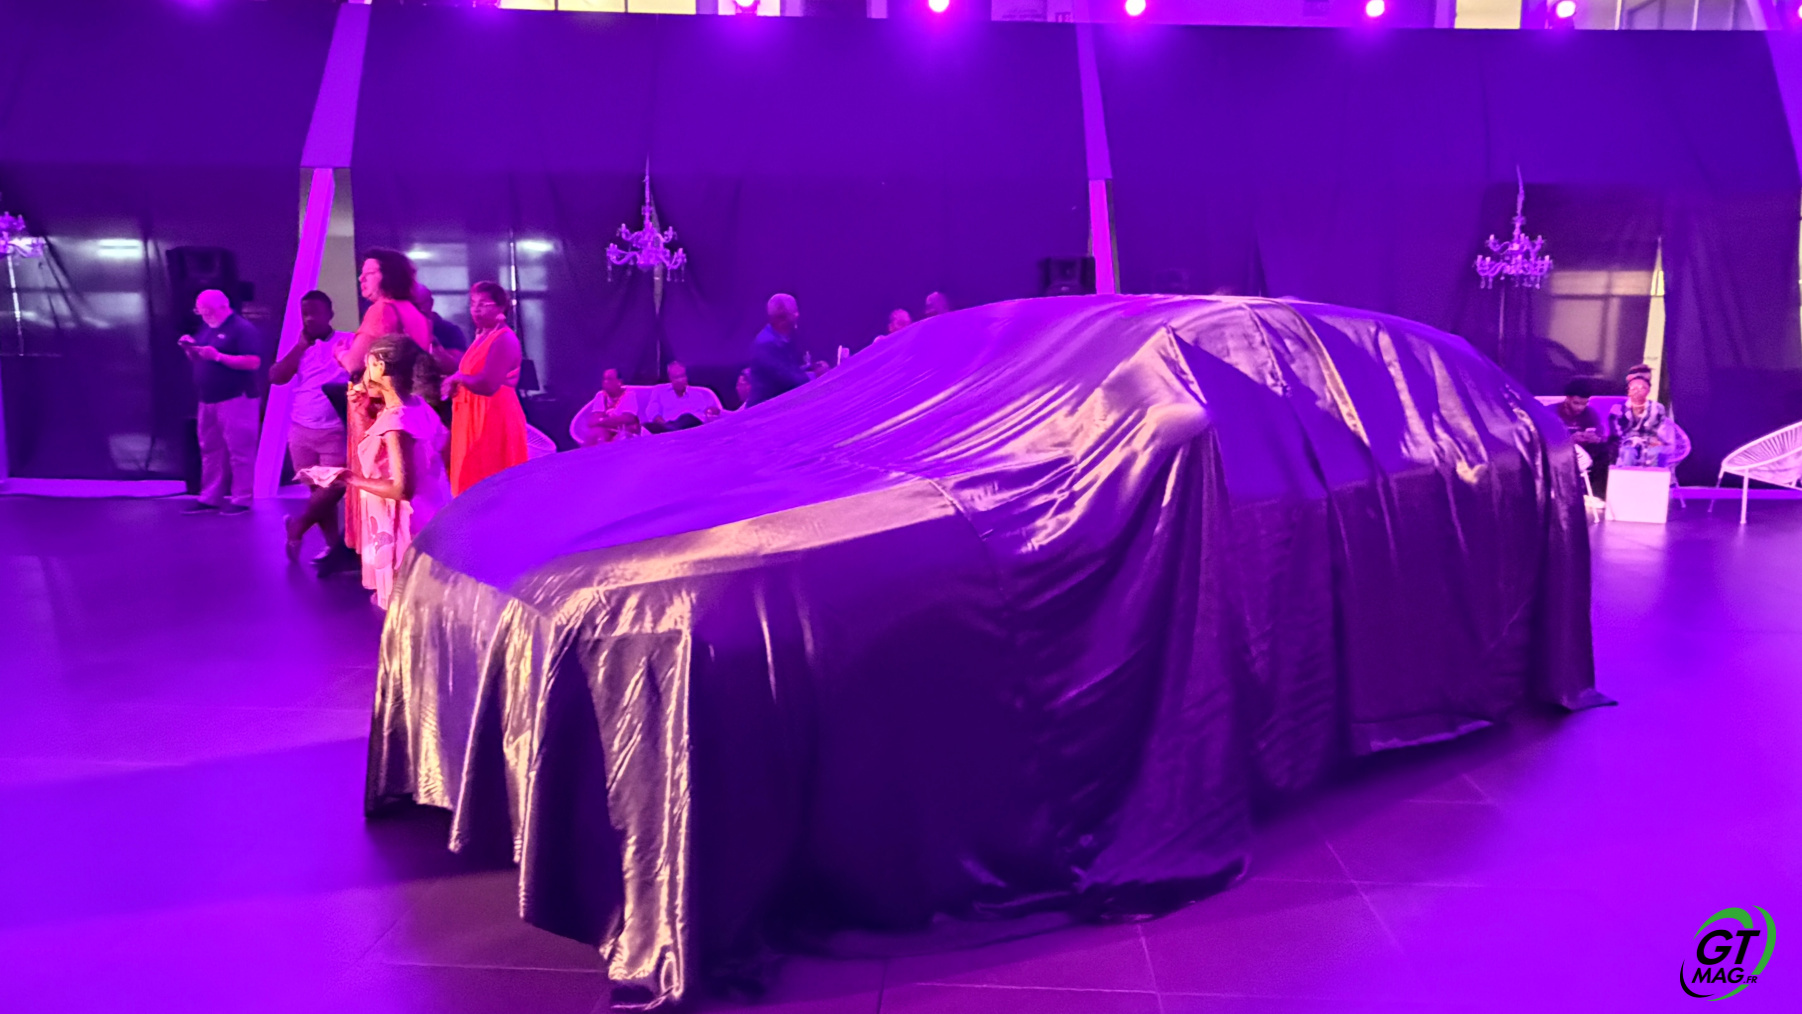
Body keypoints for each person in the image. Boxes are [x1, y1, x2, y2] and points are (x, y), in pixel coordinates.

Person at [344, 335, 451, 609]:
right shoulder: (419, 407)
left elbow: (402, 488)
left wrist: (349, 478)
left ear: (380, 366)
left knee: (403, 602)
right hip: (431, 510)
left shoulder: (396, 422)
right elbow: (443, 446)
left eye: (368, 365)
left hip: (404, 522)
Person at [338, 250, 434, 554]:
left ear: (388, 275)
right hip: (414, 403)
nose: (361, 278)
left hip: (380, 410)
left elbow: (355, 363)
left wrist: (340, 352)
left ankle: (387, 559)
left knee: (382, 483)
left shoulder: (382, 310)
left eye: (369, 272)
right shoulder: (415, 312)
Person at [269, 290, 356, 569]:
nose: (309, 318)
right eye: (305, 313)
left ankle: (298, 527)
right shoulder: (300, 347)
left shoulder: (347, 340)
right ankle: (330, 546)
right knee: (315, 490)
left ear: (330, 314)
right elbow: (276, 377)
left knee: (332, 486)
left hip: (334, 429)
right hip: (301, 428)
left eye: (315, 312)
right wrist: (300, 348)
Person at [179, 289, 265, 515]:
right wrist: (191, 349)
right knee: (210, 449)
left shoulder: (242, 329)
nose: (204, 315)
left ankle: (242, 498)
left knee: (240, 450)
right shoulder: (207, 327)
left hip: (236, 397)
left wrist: (218, 356)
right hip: (208, 398)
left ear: (223, 307)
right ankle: (210, 496)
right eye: (200, 311)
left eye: (207, 311)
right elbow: (201, 357)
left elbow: (253, 362)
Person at [441, 281, 530, 495]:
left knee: (489, 481)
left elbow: (488, 384)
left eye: (483, 304)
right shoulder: (482, 337)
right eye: (473, 303)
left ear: (500, 307)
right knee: (469, 479)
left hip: (491, 416)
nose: (476, 309)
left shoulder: (504, 339)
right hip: (471, 415)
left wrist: (459, 378)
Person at [748, 293, 809, 406]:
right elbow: (787, 378)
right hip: (765, 411)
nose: (797, 315)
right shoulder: (765, 344)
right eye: (794, 312)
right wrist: (817, 379)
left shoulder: (784, 338)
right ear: (781, 319)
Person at [1608, 363, 1672, 468]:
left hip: (1651, 446)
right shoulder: (1618, 409)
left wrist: (1654, 442)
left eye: (1646, 382)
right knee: (1628, 452)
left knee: (1656, 452)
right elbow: (1616, 436)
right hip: (1625, 446)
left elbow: (1660, 434)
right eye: (1635, 385)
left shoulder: (1657, 409)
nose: (1639, 388)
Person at [640, 361, 723, 432]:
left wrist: (712, 411)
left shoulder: (698, 394)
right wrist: (662, 424)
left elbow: (712, 412)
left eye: (682, 376)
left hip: (693, 427)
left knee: (687, 418)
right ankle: (671, 430)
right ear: (670, 378)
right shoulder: (659, 391)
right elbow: (653, 413)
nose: (680, 380)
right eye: (676, 377)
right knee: (646, 426)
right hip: (668, 427)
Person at [570, 368, 642, 447]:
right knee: (594, 434)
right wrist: (610, 421)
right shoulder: (601, 395)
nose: (606, 382)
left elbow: (628, 418)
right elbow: (593, 421)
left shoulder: (629, 395)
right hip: (607, 430)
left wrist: (603, 420)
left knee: (624, 435)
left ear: (619, 382)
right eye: (604, 379)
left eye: (609, 379)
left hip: (625, 430)